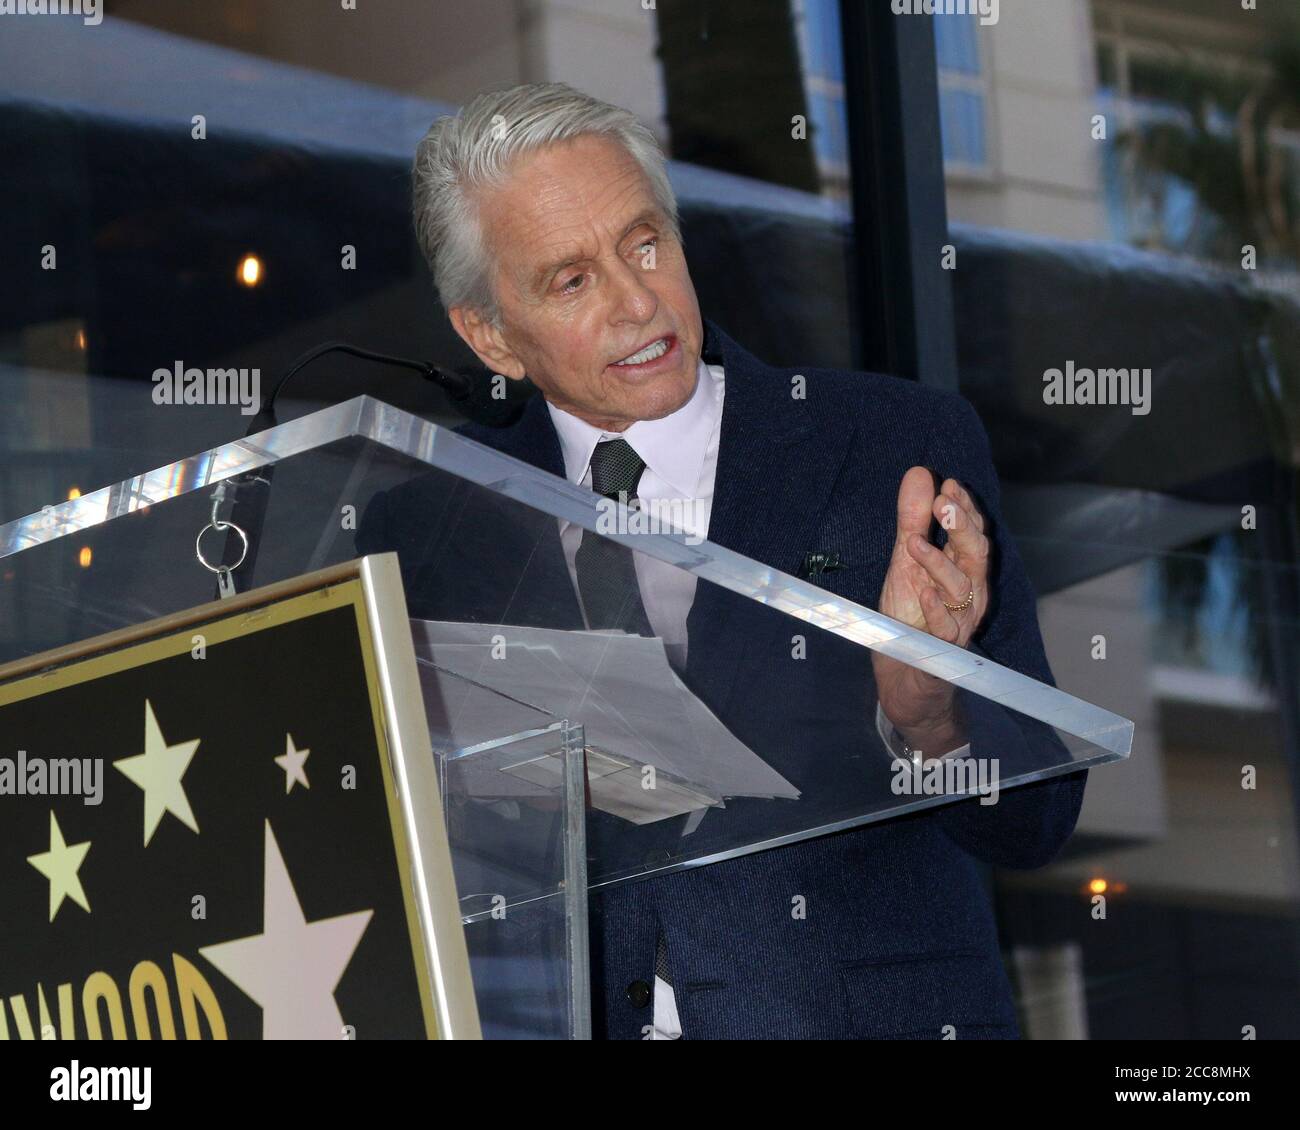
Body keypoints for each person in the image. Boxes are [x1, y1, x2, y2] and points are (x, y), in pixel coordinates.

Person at [362, 81, 1086, 1039]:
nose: (637, 301)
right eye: (572, 281)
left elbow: (1030, 822)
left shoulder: (886, 445)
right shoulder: (429, 528)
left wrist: (931, 714)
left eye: (646, 243)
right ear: (490, 335)